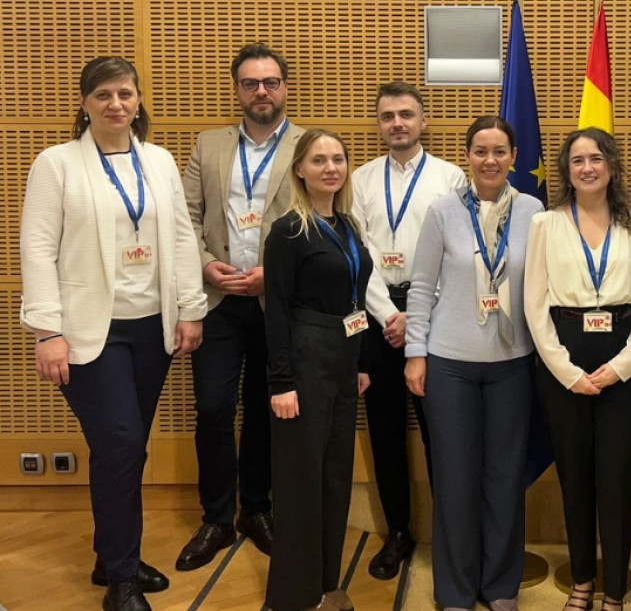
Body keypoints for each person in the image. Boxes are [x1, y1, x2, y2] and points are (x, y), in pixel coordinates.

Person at [20, 56, 207, 611]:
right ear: (84, 104)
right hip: (87, 331)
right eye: (103, 94)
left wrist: (191, 308)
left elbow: (181, 237)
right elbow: (37, 247)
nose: (115, 104)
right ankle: (121, 579)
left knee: (122, 449)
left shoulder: (159, 161)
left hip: (151, 328)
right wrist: (46, 330)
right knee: (121, 442)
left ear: (138, 99)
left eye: (125, 93)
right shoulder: (56, 164)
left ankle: (112, 556)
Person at [404, 116, 543, 611]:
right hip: (450, 364)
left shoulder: (533, 211)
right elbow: (421, 286)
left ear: (514, 157)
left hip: (512, 363)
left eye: (499, 151)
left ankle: (501, 585)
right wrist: (415, 353)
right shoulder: (443, 211)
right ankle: (456, 590)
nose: (490, 160)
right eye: (480, 151)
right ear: (467, 157)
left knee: (505, 478)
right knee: (455, 478)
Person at [179, 43, 304, 570]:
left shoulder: (306, 145)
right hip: (219, 301)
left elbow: (318, 217)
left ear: (285, 88)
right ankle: (216, 517)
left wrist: (273, 274)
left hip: (278, 303)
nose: (261, 91)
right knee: (212, 408)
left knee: (265, 409)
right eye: (251, 83)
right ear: (237, 90)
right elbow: (185, 217)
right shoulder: (207, 145)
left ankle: (256, 509)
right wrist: (207, 264)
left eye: (270, 82)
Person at [524, 128, 631, 611]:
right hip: (564, 359)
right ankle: (582, 579)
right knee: (575, 475)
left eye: (597, 158)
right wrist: (568, 372)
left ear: (612, 166)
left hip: (624, 363)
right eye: (578, 160)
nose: (587, 167)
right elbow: (534, 305)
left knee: (618, 478)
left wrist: (623, 366)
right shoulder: (545, 224)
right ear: (567, 169)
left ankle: (615, 589)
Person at [351, 81, 466, 579]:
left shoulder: (451, 177)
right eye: (387, 116)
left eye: (405, 114)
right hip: (377, 316)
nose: (397, 123)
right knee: (385, 431)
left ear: (424, 121)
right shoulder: (358, 179)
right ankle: (398, 532)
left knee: (442, 431)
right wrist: (387, 314)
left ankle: (451, 536)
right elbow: (357, 253)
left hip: (436, 314)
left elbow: (458, 252)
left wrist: (417, 316)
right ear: (379, 124)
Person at [263, 129, 372, 611]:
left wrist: (361, 363)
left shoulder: (347, 225)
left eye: (338, 159)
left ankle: (325, 585)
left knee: (334, 475)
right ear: (300, 170)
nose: (330, 168)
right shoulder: (288, 230)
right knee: (300, 481)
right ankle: (293, 597)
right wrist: (282, 382)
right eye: (319, 160)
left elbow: (355, 297)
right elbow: (276, 310)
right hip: (305, 359)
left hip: (344, 359)